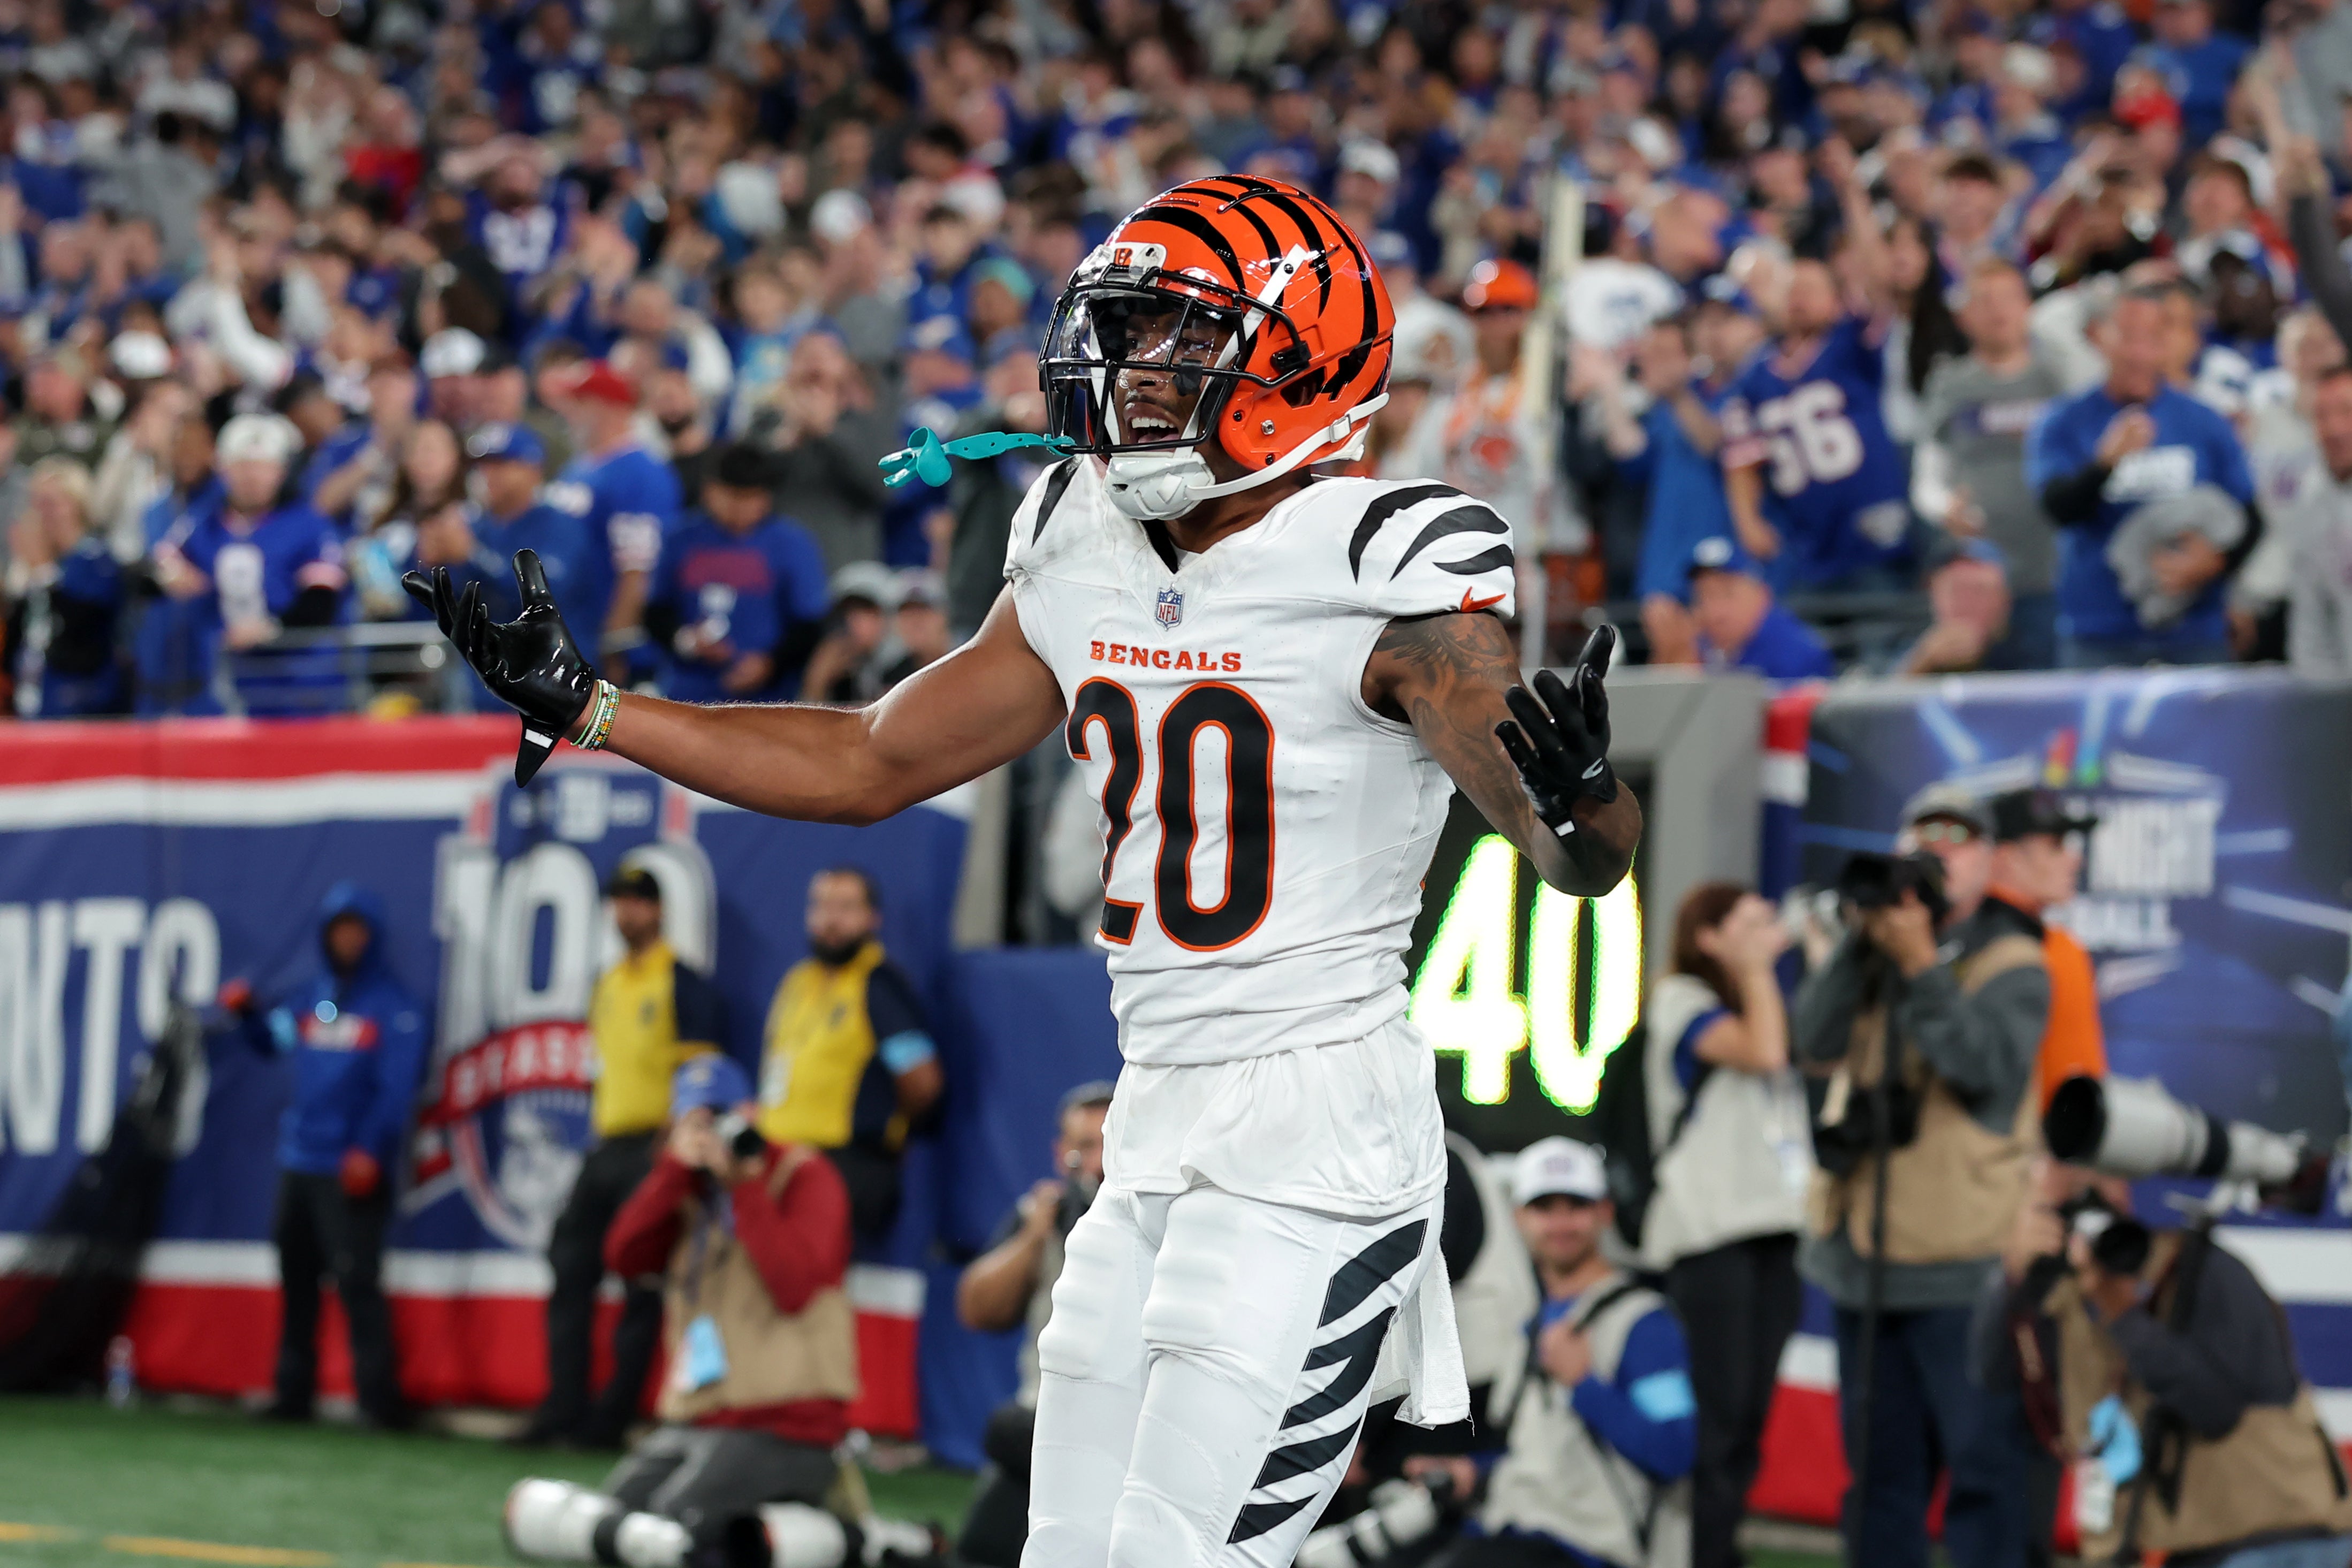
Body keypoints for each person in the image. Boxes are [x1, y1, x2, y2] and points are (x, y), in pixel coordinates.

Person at [410, 173, 1641, 1566]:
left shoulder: (1388, 552)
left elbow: (1562, 853)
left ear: (1298, 356)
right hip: (1151, 1120)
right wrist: (593, 707)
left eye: (1176, 339)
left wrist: (1580, 792)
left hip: (1315, 1133)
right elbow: (871, 760)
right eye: (1122, 332)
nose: (1132, 373)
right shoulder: (1079, 537)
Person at [505, 1055, 933, 1568]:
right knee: (618, 1520)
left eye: (719, 1118)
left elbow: (795, 1285)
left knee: (673, 1525)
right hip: (701, 1417)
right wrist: (671, 1174)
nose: (709, 1135)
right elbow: (623, 1257)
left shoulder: (803, 1174)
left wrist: (744, 1185)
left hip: (789, 1424)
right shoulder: (688, 1188)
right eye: (695, 1122)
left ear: (750, 1113)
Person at [1792, 788, 2054, 1568]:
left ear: (1988, 864)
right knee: (1878, 1479)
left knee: (1982, 1477)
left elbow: (1981, 1070)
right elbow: (1811, 1037)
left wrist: (1917, 962)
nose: (1940, 857)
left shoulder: (2016, 960)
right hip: (1863, 1257)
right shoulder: (1873, 943)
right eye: (1922, 843)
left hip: (1960, 1261)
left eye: (1960, 843)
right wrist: (1859, 939)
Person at [521, 863, 727, 1449]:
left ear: (659, 911)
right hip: (608, 1142)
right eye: (618, 902)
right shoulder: (609, 982)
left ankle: (608, 1420)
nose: (626, 912)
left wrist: (674, 1148)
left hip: (655, 1147)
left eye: (637, 902)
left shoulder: (683, 983)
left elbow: (702, 1077)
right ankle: (562, 1406)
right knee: (571, 1265)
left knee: (641, 1281)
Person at [1420, 1138, 1696, 1568]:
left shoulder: (1645, 1325)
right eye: (1544, 1207)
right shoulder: (1532, 1321)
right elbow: (1540, 1455)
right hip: (1512, 1529)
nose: (1561, 1223)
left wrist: (1585, 1384)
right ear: (1518, 1218)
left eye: (1576, 1206)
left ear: (1604, 1213)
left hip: (1591, 1548)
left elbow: (1674, 1452)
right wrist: (1472, 1472)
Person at [2037, 1196, 2352, 1566]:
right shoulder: (2091, 1300)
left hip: (2270, 1533)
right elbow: (1994, 1379)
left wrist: (2122, 1314)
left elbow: (2215, 1409)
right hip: (2207, 1541)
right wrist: (2015, 1279)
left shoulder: (2207, 1273)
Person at [1641, 885, 1808, 1568]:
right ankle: (1695, 1552)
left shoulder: (1757, 998)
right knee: (1717, 1417)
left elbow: (1813, 1055)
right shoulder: (1679, 997)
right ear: (1708, 936)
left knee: (1749, 1421)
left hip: (1776, 1232)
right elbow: (1763, 1052)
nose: (1770, 931)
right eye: (1751, 922)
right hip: (1709, 1238)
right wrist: (1758, 967)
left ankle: (1721, 1548)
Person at [225, 882, 427, 1430]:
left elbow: (397, 1087)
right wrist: (247, 1016)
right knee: (297, 1278)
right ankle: (294, 1391)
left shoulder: (394, 1006)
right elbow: (273, 1041)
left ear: (374, 935)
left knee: (358, 1279)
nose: (348, 939)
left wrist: (369, 1147)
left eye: (357, 929)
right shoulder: (312, 997)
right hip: (301, 1161)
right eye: (339, 929)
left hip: (351, 1165)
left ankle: (377, 1399)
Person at [2026, 282, 2257, 667]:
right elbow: (2057, 510)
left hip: (2193, 629)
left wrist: (2216, 561)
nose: (2137, 352)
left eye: (2150, 337)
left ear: (2166, 342)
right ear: (2100, 339)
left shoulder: (2204, 421)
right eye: (2126, 336)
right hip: (2099, 632)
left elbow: (2250, 516)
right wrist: (2103, 465)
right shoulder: (2062, 422)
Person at [1719, 149, 1916, 593]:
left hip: (1873, 534)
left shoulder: (1849, 344)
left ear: (1835, 298)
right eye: (1791, 289)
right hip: (1807, 545)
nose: (1799, 298)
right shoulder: (1754, 376)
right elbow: (1741, 458)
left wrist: (1852, 195)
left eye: (1811, 289)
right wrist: (1747, 520)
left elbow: (1879, 281)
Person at [954, 1082, 1115, 1568]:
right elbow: (976, 1309)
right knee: (982, 1546)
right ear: (1060, 1155)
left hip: (1126, 1427)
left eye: (1112, 1141)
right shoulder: (1045, 1216)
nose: (1101, 1161)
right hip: (1045, 1425)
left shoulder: (1174, 1218)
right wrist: (1034, 1236)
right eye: (1086, 1147)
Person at [755, 867, 943, 1242]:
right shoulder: (797, 981)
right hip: (779, 1160)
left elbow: (923, 1083)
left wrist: (883, 1137)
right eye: (821, 906)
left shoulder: (879, 985)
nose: (830, 919)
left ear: (872, 917)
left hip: (843, 1165)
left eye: (845, 907)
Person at [1914, 260, 2069, 669]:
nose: (1997, 311)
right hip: (1976, 583)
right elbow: (1929, 468)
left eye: (2007, 298)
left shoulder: (2058, 380)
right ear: (1963, 316)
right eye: (1984, 301)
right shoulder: (1951, 384)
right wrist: (1942, 505)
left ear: (2027, 307)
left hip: (2050, 575)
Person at [149, 414, 349, 716]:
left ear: (281, 471)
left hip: (296, 679)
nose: (252, 477)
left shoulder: (308, 525)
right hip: (220, 677)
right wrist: (171, 575)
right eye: (242, 466)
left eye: (263, 467)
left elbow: (322, 599)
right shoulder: (202, 522)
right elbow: (158, 564)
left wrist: (271, 629)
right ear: (223, 469)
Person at [646, 442, 830, 703]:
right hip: (687, 695)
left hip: (768, 701)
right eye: (732, 496)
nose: (741, 508)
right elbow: (655, 612)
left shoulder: (793, 544)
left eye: (752, 497)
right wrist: (686, 640)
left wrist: (770, 663)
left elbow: (809, 625)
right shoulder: (679, 539)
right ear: (710, 490)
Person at [542, 358, 681, 681]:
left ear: (607, 407)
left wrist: (615, 645)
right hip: (569, 635)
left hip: (600, 646)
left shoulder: (641, 473)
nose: (568, 413)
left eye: (579, 403)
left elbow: (638, 569)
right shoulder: (576, 468)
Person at [1684, 535, 1837, 679]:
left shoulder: (1794, 651)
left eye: (1727, 594)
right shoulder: (1701, 646)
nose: (1714, 611)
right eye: (1702, 597)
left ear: (1762, 593)